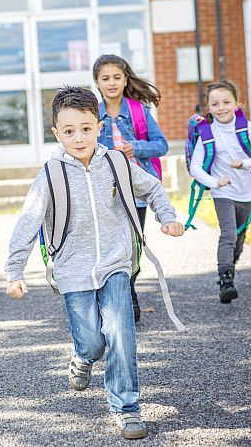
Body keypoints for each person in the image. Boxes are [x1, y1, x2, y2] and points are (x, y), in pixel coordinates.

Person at [5, 86, 184, 440]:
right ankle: (81, 357)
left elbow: (153, 188)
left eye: (86, 128)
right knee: (92, 343)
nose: (78, 137)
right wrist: (15, 269)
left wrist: (167, 215)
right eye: (68, 131)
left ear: (99, 126)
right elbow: (28, 220)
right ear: (56, 133)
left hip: (117, 263)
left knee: (120, 333)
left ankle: (127, 408)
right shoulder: (52, 174)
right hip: (72, 269)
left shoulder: (117, 163)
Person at [93, 54, 169, 323]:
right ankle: (115, 294)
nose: (111, 83)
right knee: (111, 245)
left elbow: (162, 145)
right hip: (105, 192)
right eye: (105, 78)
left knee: (134, 245)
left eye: (117, 77)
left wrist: (134, 147)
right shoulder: (93, 115)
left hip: (135, 193)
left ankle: (129, 289)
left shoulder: (139, 112)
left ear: (125, 79)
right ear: (97, 83)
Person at [189, 80, 251, 303]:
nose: (221, 107)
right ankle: (226, 282)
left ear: (237, 103)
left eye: (226, 102)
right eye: (215, 103)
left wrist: (243, 163)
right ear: (209, 107)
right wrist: (214, 182)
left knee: (240, 237)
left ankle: (229, 267)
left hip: (247, 191)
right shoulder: (207, 132)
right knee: (229, 234)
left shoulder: (246, 127)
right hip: (223, 192)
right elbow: (195, 167)